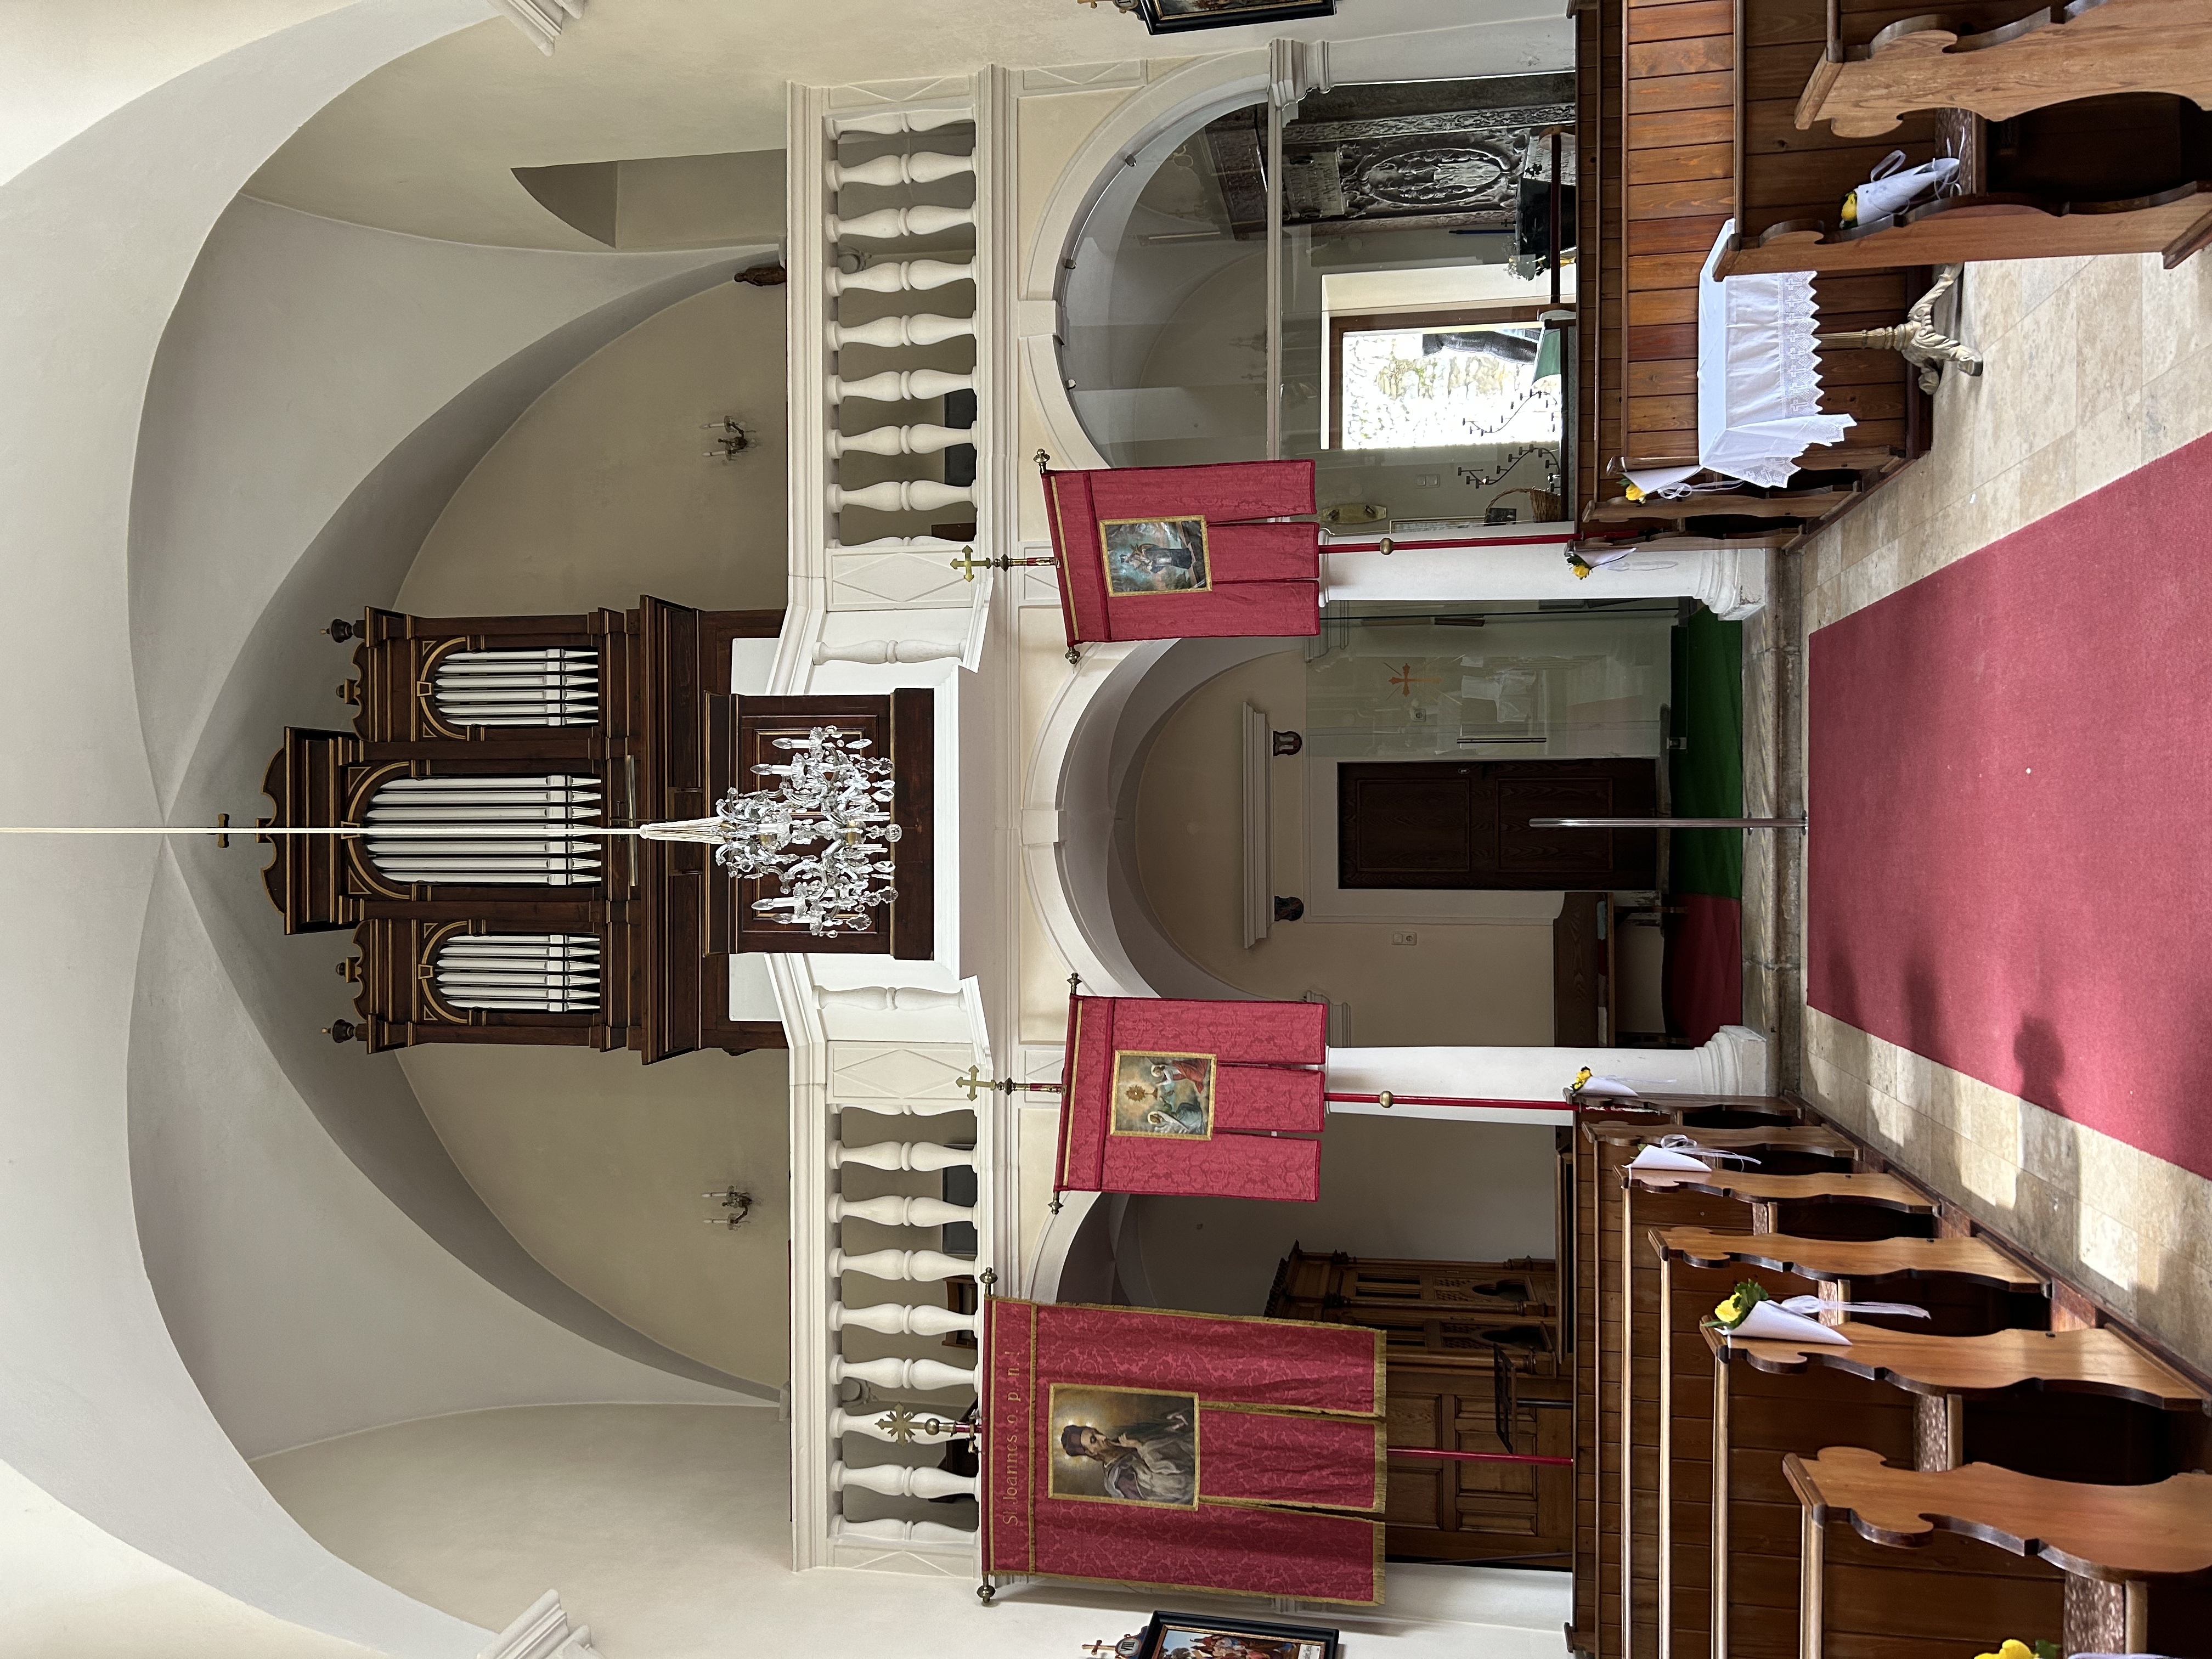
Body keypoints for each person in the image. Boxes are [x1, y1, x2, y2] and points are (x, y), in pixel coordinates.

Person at [1059, 1408, 1195, 1504]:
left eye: (1096, 1432)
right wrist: (1140, 1447)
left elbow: (1162, 1436)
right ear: (1091, 1453)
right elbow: (1176, 1486)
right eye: (1094, 1440)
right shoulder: (1121, 1480)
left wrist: (1173, 1424)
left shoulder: (1121, 1440)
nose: (1103, 1437)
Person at [1121, 1057, 1207, 1134]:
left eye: (1158, 1073)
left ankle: (1198, 1116)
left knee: (1198, 1079)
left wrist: (1161, 1087)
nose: (1159, 1074)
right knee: (1186, 1109)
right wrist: (1161, 1086)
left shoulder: (1166, 1070)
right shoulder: (1164, 1118)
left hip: (1183, 1071)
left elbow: (1168, 1106)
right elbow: (1168, 1108)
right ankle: (1198, 1117)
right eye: (1158, 1074)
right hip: (1180, 1116)